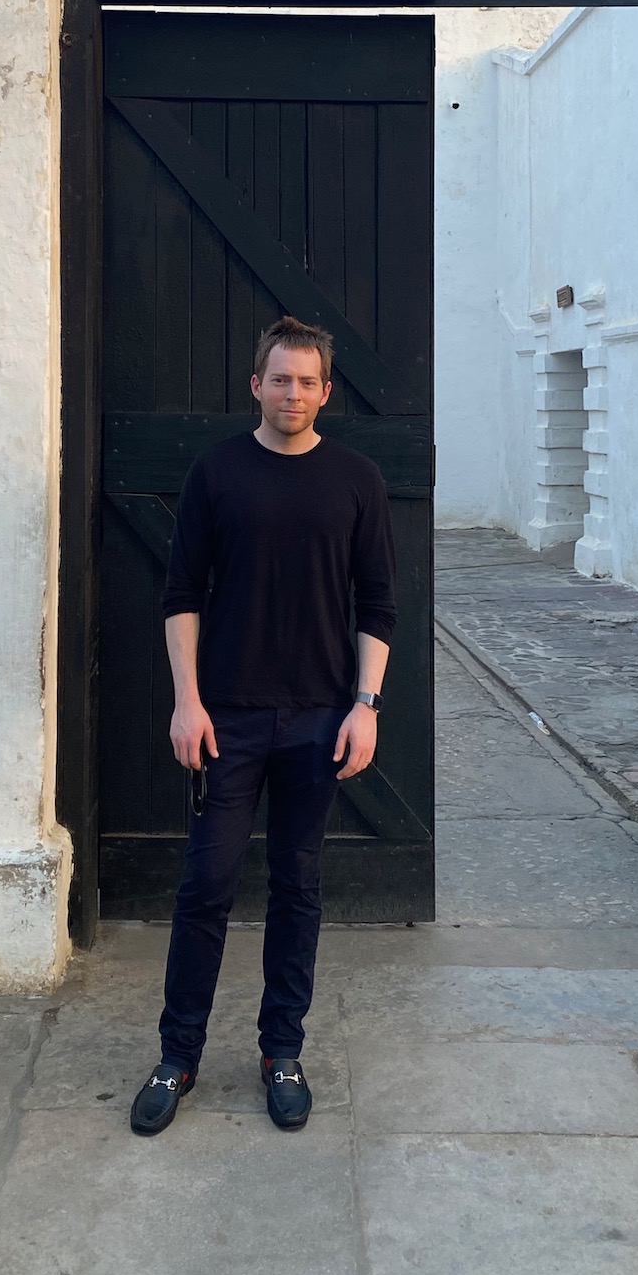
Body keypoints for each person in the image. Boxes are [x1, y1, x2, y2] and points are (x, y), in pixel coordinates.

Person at [130, 314, 397, 1135]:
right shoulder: (217, 475)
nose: (293, 393)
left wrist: (367, 705)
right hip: (230, 720)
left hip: (320, 719)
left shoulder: (356, 480)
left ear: (326, 391)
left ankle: (283, 1051)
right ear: (256, 385)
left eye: (308, 381)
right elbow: (180, 595)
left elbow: (379, 605)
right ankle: (178, 1059)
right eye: (279, 378)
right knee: (206, 885)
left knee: (297, 886)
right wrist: (187, 699)